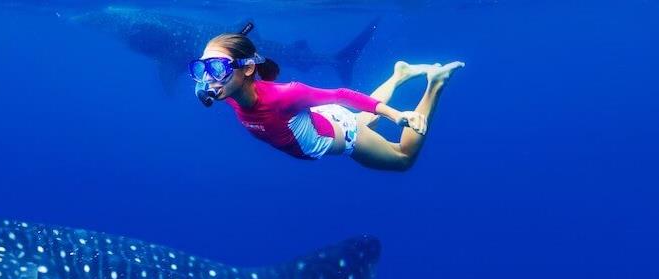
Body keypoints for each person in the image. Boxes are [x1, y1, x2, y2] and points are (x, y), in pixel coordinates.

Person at [193, 26, 462, 171]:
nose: (209, 79)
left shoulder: (285, 95)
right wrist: (211, 74)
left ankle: (435, 84)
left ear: (248, 69)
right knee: (361, 119)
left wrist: (396, 115)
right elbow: (208, 84)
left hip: (345, 135)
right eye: (202, 69)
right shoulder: (225, 91)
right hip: (326, 121)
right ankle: (399, 75)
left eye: (216, 68)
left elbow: (341, 95)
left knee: (402, 158)